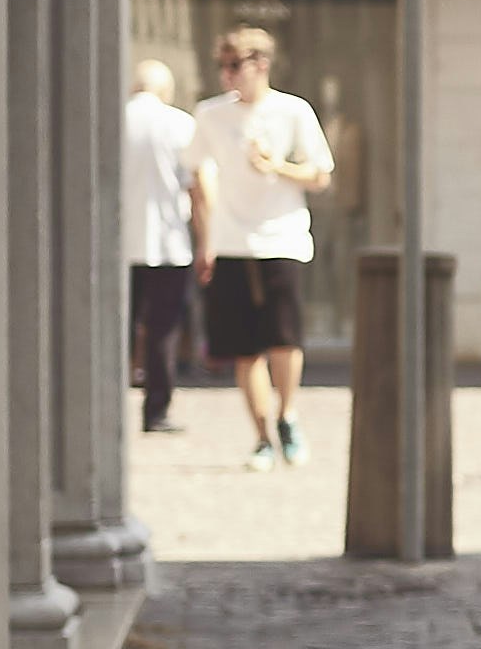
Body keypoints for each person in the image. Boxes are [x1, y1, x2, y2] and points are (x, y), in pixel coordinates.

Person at [190, 26, 334, 469]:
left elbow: (320, 174)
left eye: (235, 65)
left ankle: (287, 415)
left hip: (282, 238)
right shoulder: (210, 115)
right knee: (244, 347)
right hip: (231, 241)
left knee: (284, 339)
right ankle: (261, 436)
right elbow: (198, 175)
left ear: (261, 65)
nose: (227, 74)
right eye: (223, 66)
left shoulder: (293, 110)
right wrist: (206, 240)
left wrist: (277, 167)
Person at [125, 53, 205, 434]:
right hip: (169, 242)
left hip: (120, 244)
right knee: (163, 329)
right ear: (166, 90)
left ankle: (105, 408)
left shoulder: (111, 119)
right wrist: (207, 241)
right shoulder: (180, 124)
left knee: (117, 327)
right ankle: (155, 411)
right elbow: (200, 189)